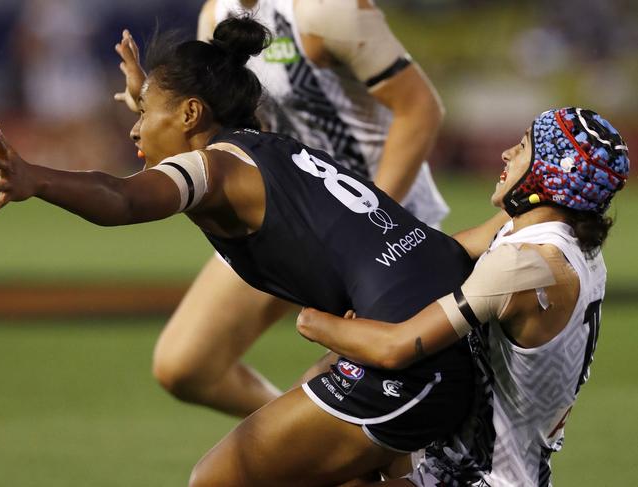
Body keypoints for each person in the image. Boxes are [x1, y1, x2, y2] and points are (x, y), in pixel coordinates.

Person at [0, 17, 477, 486]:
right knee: (328, 467)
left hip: (410, 359)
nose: (135, 131)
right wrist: (149, 92)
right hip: (439, 329)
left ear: (190, 114)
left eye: (144, 115)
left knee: (218, 480)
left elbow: (122, 198)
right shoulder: (266, 145)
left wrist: (39, 179)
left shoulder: (214, 171)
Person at [114, 0, 449, 417]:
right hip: (283, 209)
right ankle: (298, 439)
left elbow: (419, 109)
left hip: (374, 223)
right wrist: (149, 102)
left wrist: (369, 219)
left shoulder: (325, 10)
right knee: (185, 364)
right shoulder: (216, 14)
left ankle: (312, 442)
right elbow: (214, 116)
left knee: (373, 408)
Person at [297, 107, 630, 486]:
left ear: (551, 173)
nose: (506, 154)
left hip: (479, 478)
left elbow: (396, 347)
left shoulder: (525, 265)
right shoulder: (559, 238)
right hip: (474, 463)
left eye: (523, 147)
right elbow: (441, 256)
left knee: (304, 462)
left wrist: (313, 320)